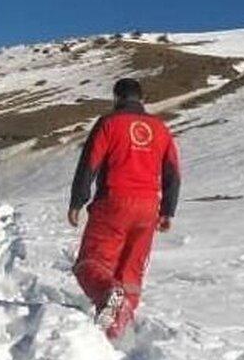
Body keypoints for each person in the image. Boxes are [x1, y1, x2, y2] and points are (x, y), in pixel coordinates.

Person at [68, 78, 181, 340]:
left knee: (91, 263)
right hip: (148, 208)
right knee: (130, 272)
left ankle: (108, 295)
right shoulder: (160, 129)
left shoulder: (109, 123)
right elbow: (173, 172)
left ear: (117, 98)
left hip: (114, 202)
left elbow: (90, 163)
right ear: (142, 99)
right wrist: (168, 210)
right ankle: (116, 334)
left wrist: (77, 201)